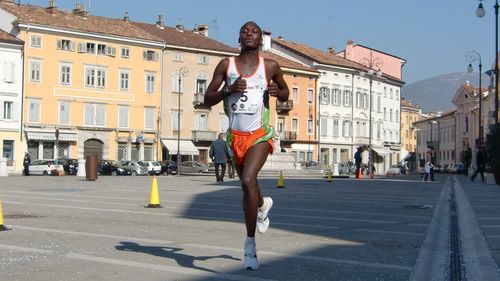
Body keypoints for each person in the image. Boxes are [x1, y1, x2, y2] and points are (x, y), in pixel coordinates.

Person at [204, 21, 289, 270]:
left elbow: (285, 93)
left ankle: (250, 246)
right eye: (244, 31)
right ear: (238, 38)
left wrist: (277, 91)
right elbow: (207, 98)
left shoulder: (270, 66)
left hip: (259, 134)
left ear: (260, 39)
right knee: (248, 188)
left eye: (254, 31)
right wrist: (227, 90)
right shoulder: (226, 65)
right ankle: (262, 205)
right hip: (235, 137)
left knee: (247, 180)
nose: (249, 34)